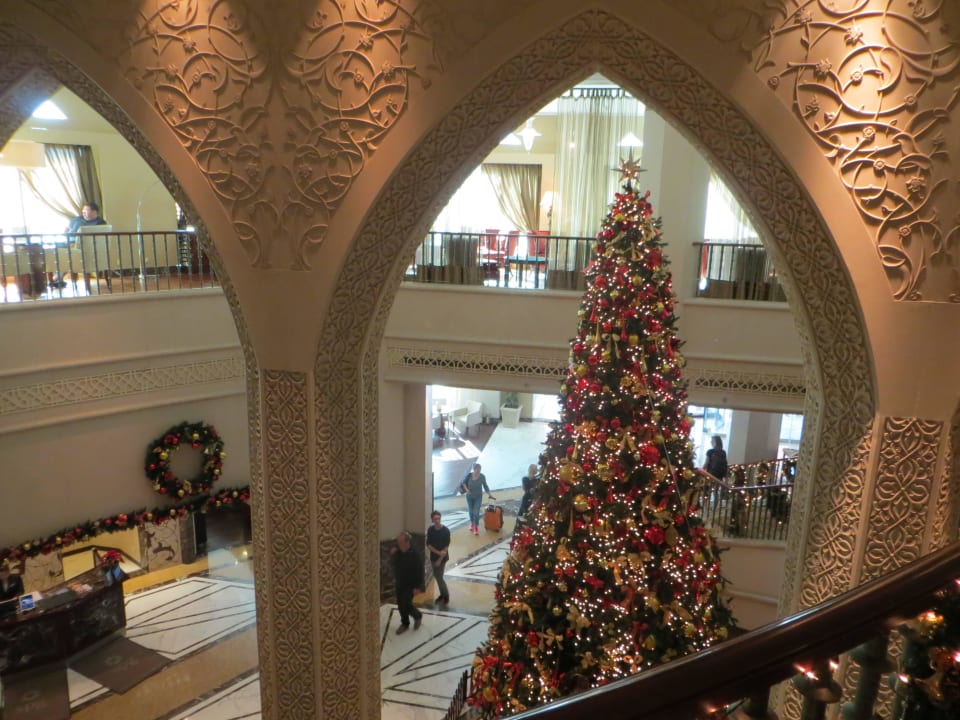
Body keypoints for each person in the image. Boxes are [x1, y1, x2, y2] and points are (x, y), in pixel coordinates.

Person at [390, 530, 424, 634]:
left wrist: (418, 587)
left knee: (405, 603)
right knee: (401, 605)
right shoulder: (397, 552)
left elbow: (420, 571)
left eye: (400, 542)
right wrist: (393, 554)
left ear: (407, 542)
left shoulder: (415, 555)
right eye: (397, 542)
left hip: (411, 585)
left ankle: (417, 616)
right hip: (400, 582)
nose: (398, 544)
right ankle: (405, 623)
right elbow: (393, 564)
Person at [459, 463, 495, 535]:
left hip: (478, 497)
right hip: (469, 497)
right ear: (474, 469)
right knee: (471, 511)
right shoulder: (469, 475)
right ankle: (472, 523)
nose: (478, 472)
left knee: (476, 512)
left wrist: (490, 494)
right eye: (477, 470)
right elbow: (463, 483)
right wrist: (467, 489)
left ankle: (476, 526)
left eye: (479, 470)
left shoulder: (482, 477)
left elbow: (485, 486)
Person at [426, 510, 451, 605]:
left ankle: (446, 595)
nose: (437, 520)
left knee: (439, 577)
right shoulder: (430, 530)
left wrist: (439, 560)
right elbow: (428, 544)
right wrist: (437, 553)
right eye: (435, 519)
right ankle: (442, 594)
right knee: (437, 576)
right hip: (434, 556)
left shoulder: (445, 531)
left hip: (442, 559)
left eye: (438, 518)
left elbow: (446, 547)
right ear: (432, 520)